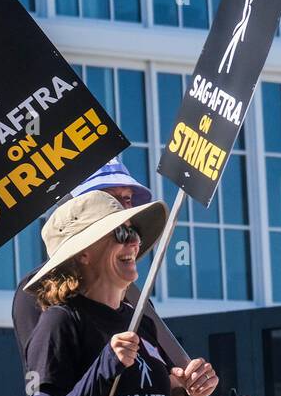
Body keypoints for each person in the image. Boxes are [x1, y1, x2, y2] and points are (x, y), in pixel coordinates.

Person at [23, 190, 255, 396]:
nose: (135, 242)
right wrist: (105, 367)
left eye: (134, 232)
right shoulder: (60, 322)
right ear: (84, 252)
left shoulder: (140, 321)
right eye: (122, 233)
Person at [11, 157, 188, 368]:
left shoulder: (134, 296)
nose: (121, 208)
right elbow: (47, 383)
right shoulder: (38, 290)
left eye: (128, 198)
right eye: (107, 198)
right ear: (75, 209)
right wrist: (107, 368)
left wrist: (191, 394)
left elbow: (161, 387)